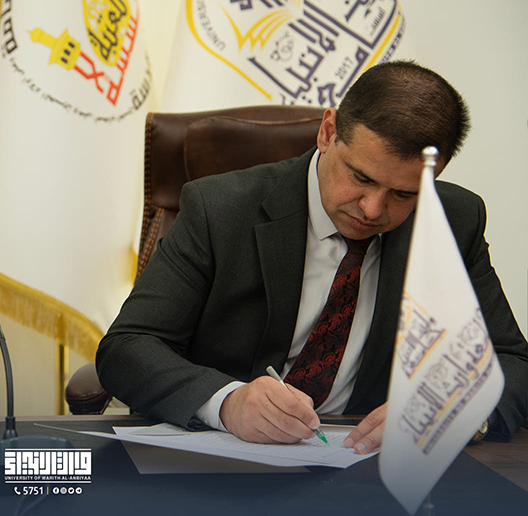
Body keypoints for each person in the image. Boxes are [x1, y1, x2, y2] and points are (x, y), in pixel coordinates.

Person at [96, 61, 527, 453]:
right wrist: (226, 402)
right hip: (222, 457)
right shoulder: (220, 209)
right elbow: (127, 347)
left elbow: (513, 362)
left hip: (363, 464)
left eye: (403, 194)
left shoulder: (453, 221)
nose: (373, 209)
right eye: (361, 177)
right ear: (327, 132)